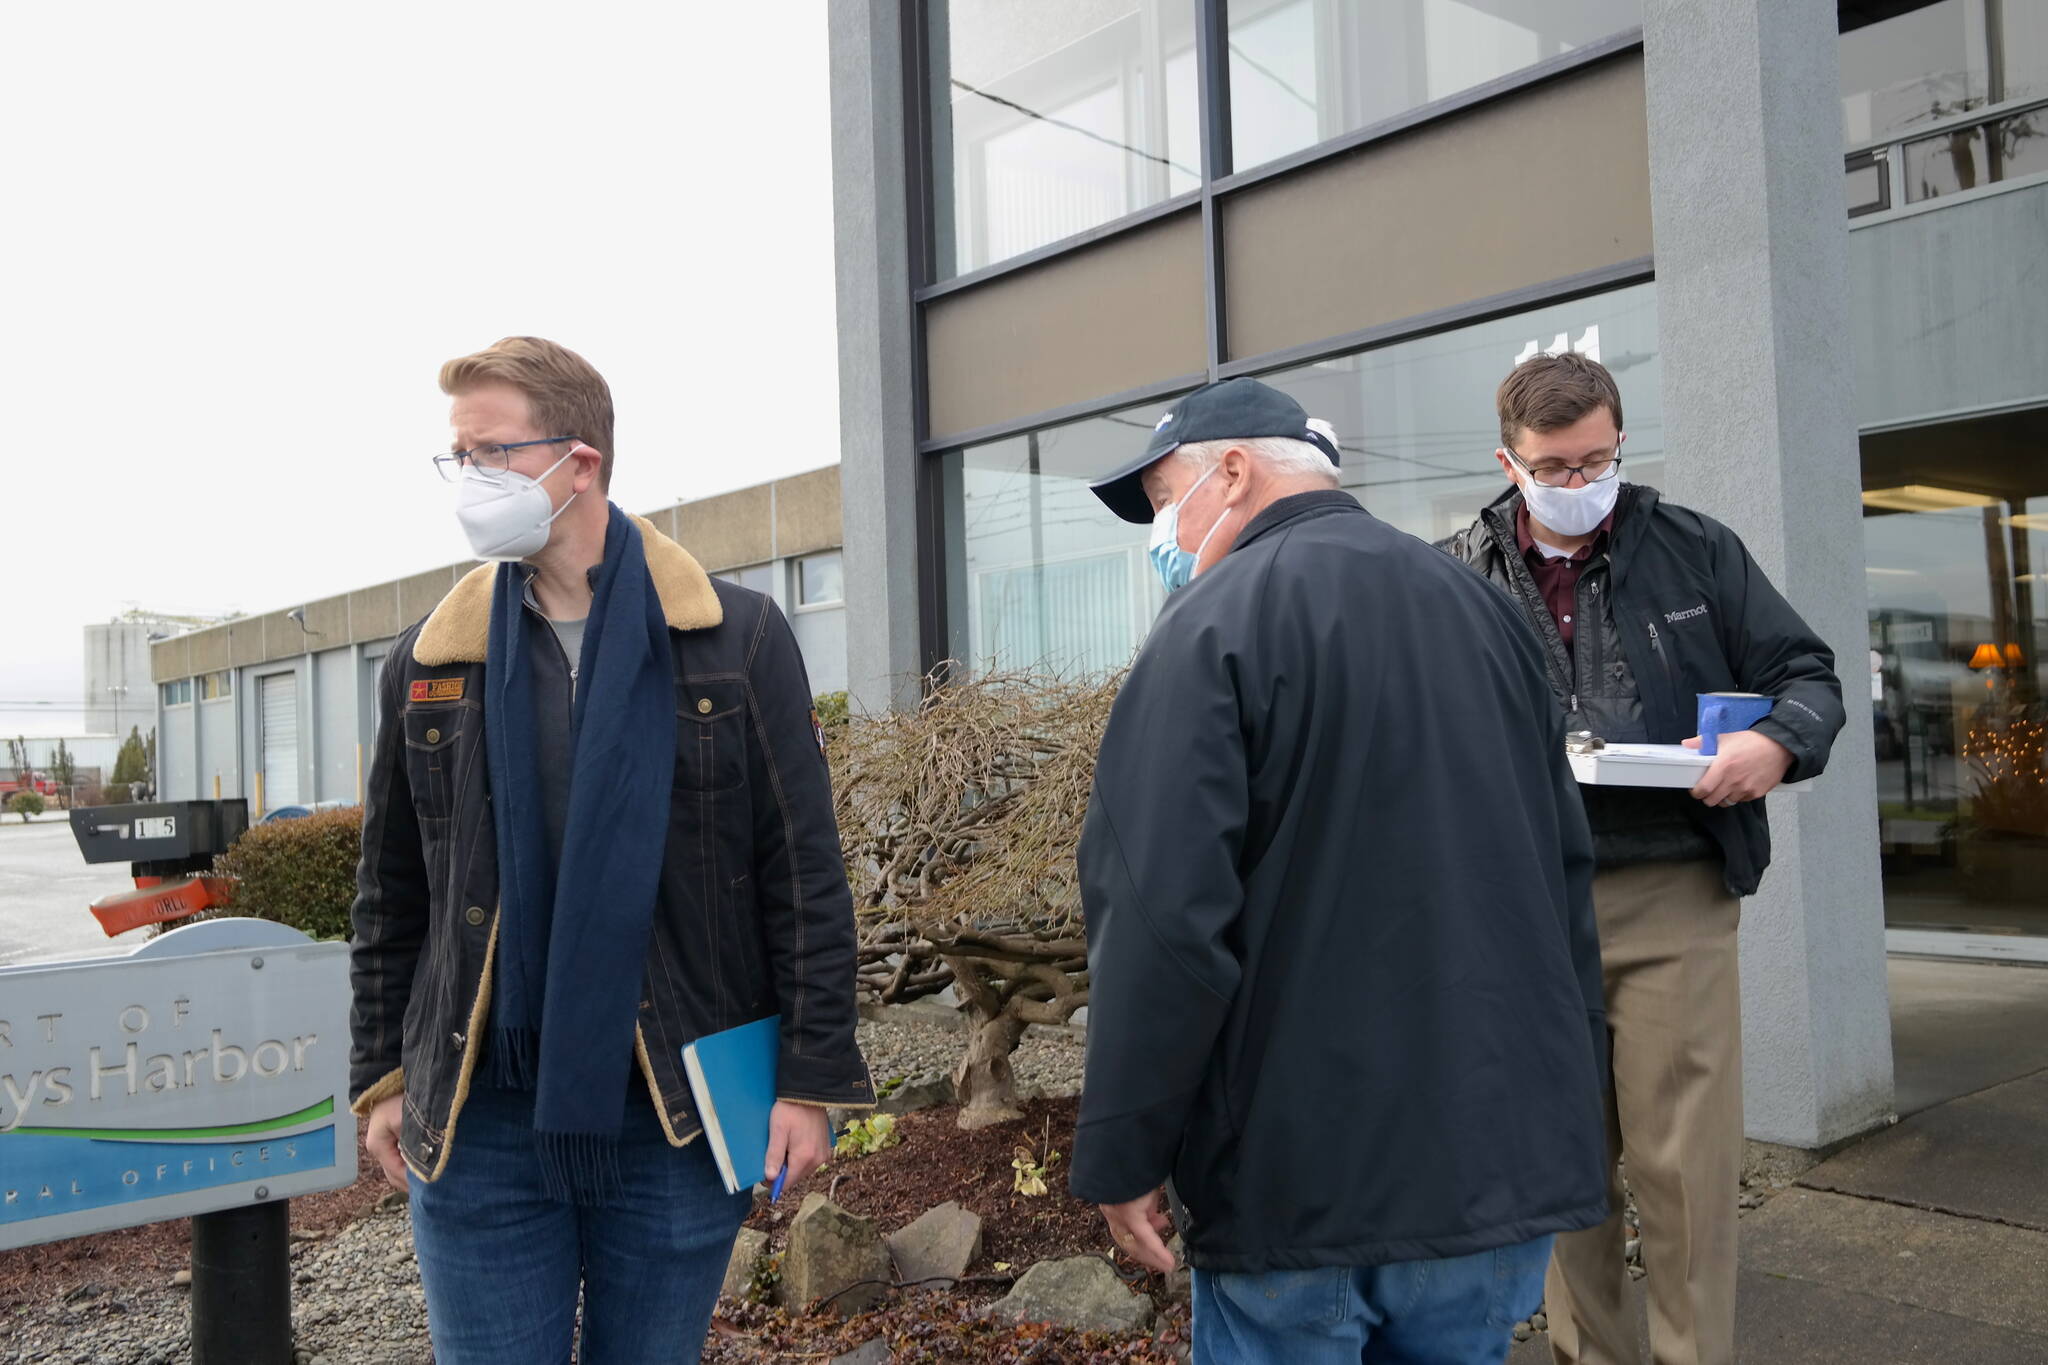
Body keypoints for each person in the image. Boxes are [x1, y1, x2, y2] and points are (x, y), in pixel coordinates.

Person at [348, 336, 873, 1363]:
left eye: (490, 452)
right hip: (481, 1113)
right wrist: (382, 1073)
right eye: (456, 457)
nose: (469, 481)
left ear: (577, 462)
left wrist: (807, 1082)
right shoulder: (428, 664)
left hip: (671, 1112)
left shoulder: (734, 639)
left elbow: (802, 875)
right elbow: (391, 890)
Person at [1071, 376, 1611, 1364]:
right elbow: (1560, 880)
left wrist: (1124, 1149)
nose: (1161, 531)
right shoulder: (1486, 616)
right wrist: (1573, 1113)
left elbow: (1160, 927)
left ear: (1228, 473)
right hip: (1491, 1174)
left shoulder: (1205, 632)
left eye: (1159, 500)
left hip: (1296, 1189)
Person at [1439, 352, 1845, 1365]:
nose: (1577, 485)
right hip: (1526, 904)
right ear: (1507, 461)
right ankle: (1590, 1355)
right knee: (1560, 1167)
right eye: (1553, 467)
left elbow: (1805, 673)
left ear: (1618, 440)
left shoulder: (1695, 550)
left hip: (1671, 884)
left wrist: (1774, 742)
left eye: (1594, 459)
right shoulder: (1456, 573)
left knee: (1683, 1171)